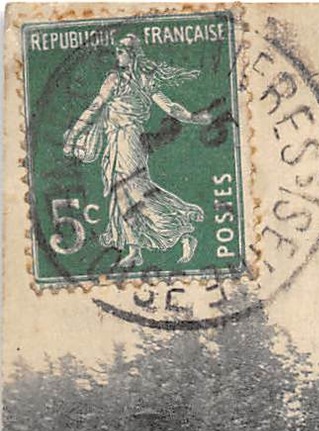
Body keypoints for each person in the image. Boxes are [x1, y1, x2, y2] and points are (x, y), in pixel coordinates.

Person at [62, 36, 212, 268]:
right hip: (123, 142)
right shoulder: (143, 79)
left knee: (134, 192)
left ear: (132, 54)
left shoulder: (116, 80)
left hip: (125, 141)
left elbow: (94, 108)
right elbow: (170, 106)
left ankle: (180, 231)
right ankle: (135, 249)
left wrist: (73, 135)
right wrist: (192, 118)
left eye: (121, 51)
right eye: (117, 51)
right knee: (124, 195)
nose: (118, 55)